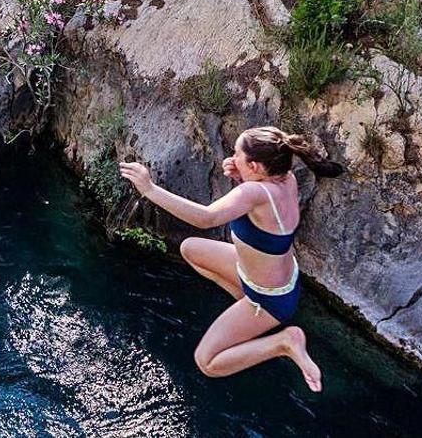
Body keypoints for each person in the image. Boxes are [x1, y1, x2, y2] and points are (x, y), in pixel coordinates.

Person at [118, 126, 343, 392]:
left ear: (257, 166)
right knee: (190, 249)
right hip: (271, 276)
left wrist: (150, 190)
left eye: (237, 154)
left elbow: (206, 218)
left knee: (207, 362)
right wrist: (243, 177)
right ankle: (247, 310)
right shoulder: (285, 179)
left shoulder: (253, 194)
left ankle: (283, 342)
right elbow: (260, 209)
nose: (231, 158)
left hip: (269, 298)